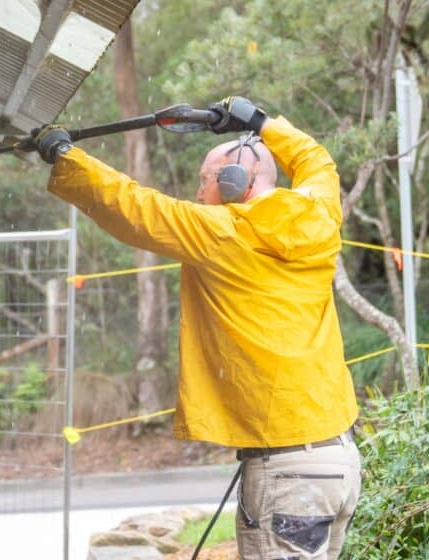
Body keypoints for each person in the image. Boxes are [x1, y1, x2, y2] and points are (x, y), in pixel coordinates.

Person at [33, 97, 361, 560]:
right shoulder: (319, 212)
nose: (198, 194)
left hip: (287, 471)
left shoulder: (223, 232)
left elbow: (133, 208)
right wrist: (259, 122)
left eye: (204, 182)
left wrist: (63, 154)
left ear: (233, 184)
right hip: (337, 460)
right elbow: (316, 159)